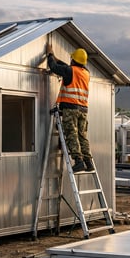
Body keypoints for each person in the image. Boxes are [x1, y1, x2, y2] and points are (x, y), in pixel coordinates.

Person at [46, 43, 93, 173]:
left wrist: (50, 55)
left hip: (71, 108)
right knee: (82, 135)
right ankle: (88, 162)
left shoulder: (70, 71)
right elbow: (67, 68)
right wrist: (56, 57)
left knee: (71, 134)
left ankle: (78, 161)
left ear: (73, 59)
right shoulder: (86, 73)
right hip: (83, 109)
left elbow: (55, 67)